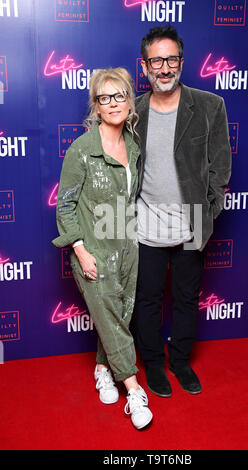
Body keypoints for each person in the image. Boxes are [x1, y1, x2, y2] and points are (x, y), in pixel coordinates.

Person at [52, 67, 153, 430]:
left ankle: (101, 369)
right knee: (112, 317)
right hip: (93, 250)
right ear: (95, 105)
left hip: (128, 246)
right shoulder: (81, 151)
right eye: (105, 97)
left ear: (129, 100)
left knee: (119, 316)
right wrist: (79, 249)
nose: (114, 104)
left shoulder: (134, 145)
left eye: (120, 95)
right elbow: (64, 205)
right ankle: (134, 389)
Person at [134, 26, 232, 397]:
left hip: (191, 226)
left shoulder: (209, 106)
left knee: (188, 299)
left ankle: (179, 361)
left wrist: (208, 211)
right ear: (144, 67)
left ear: (182, 62)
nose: (164, 68)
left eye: (170, 59)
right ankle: (155, 366)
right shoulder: (133, 111)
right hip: (145, 227)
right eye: (156, 60)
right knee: (147, 300)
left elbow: (220, 166)